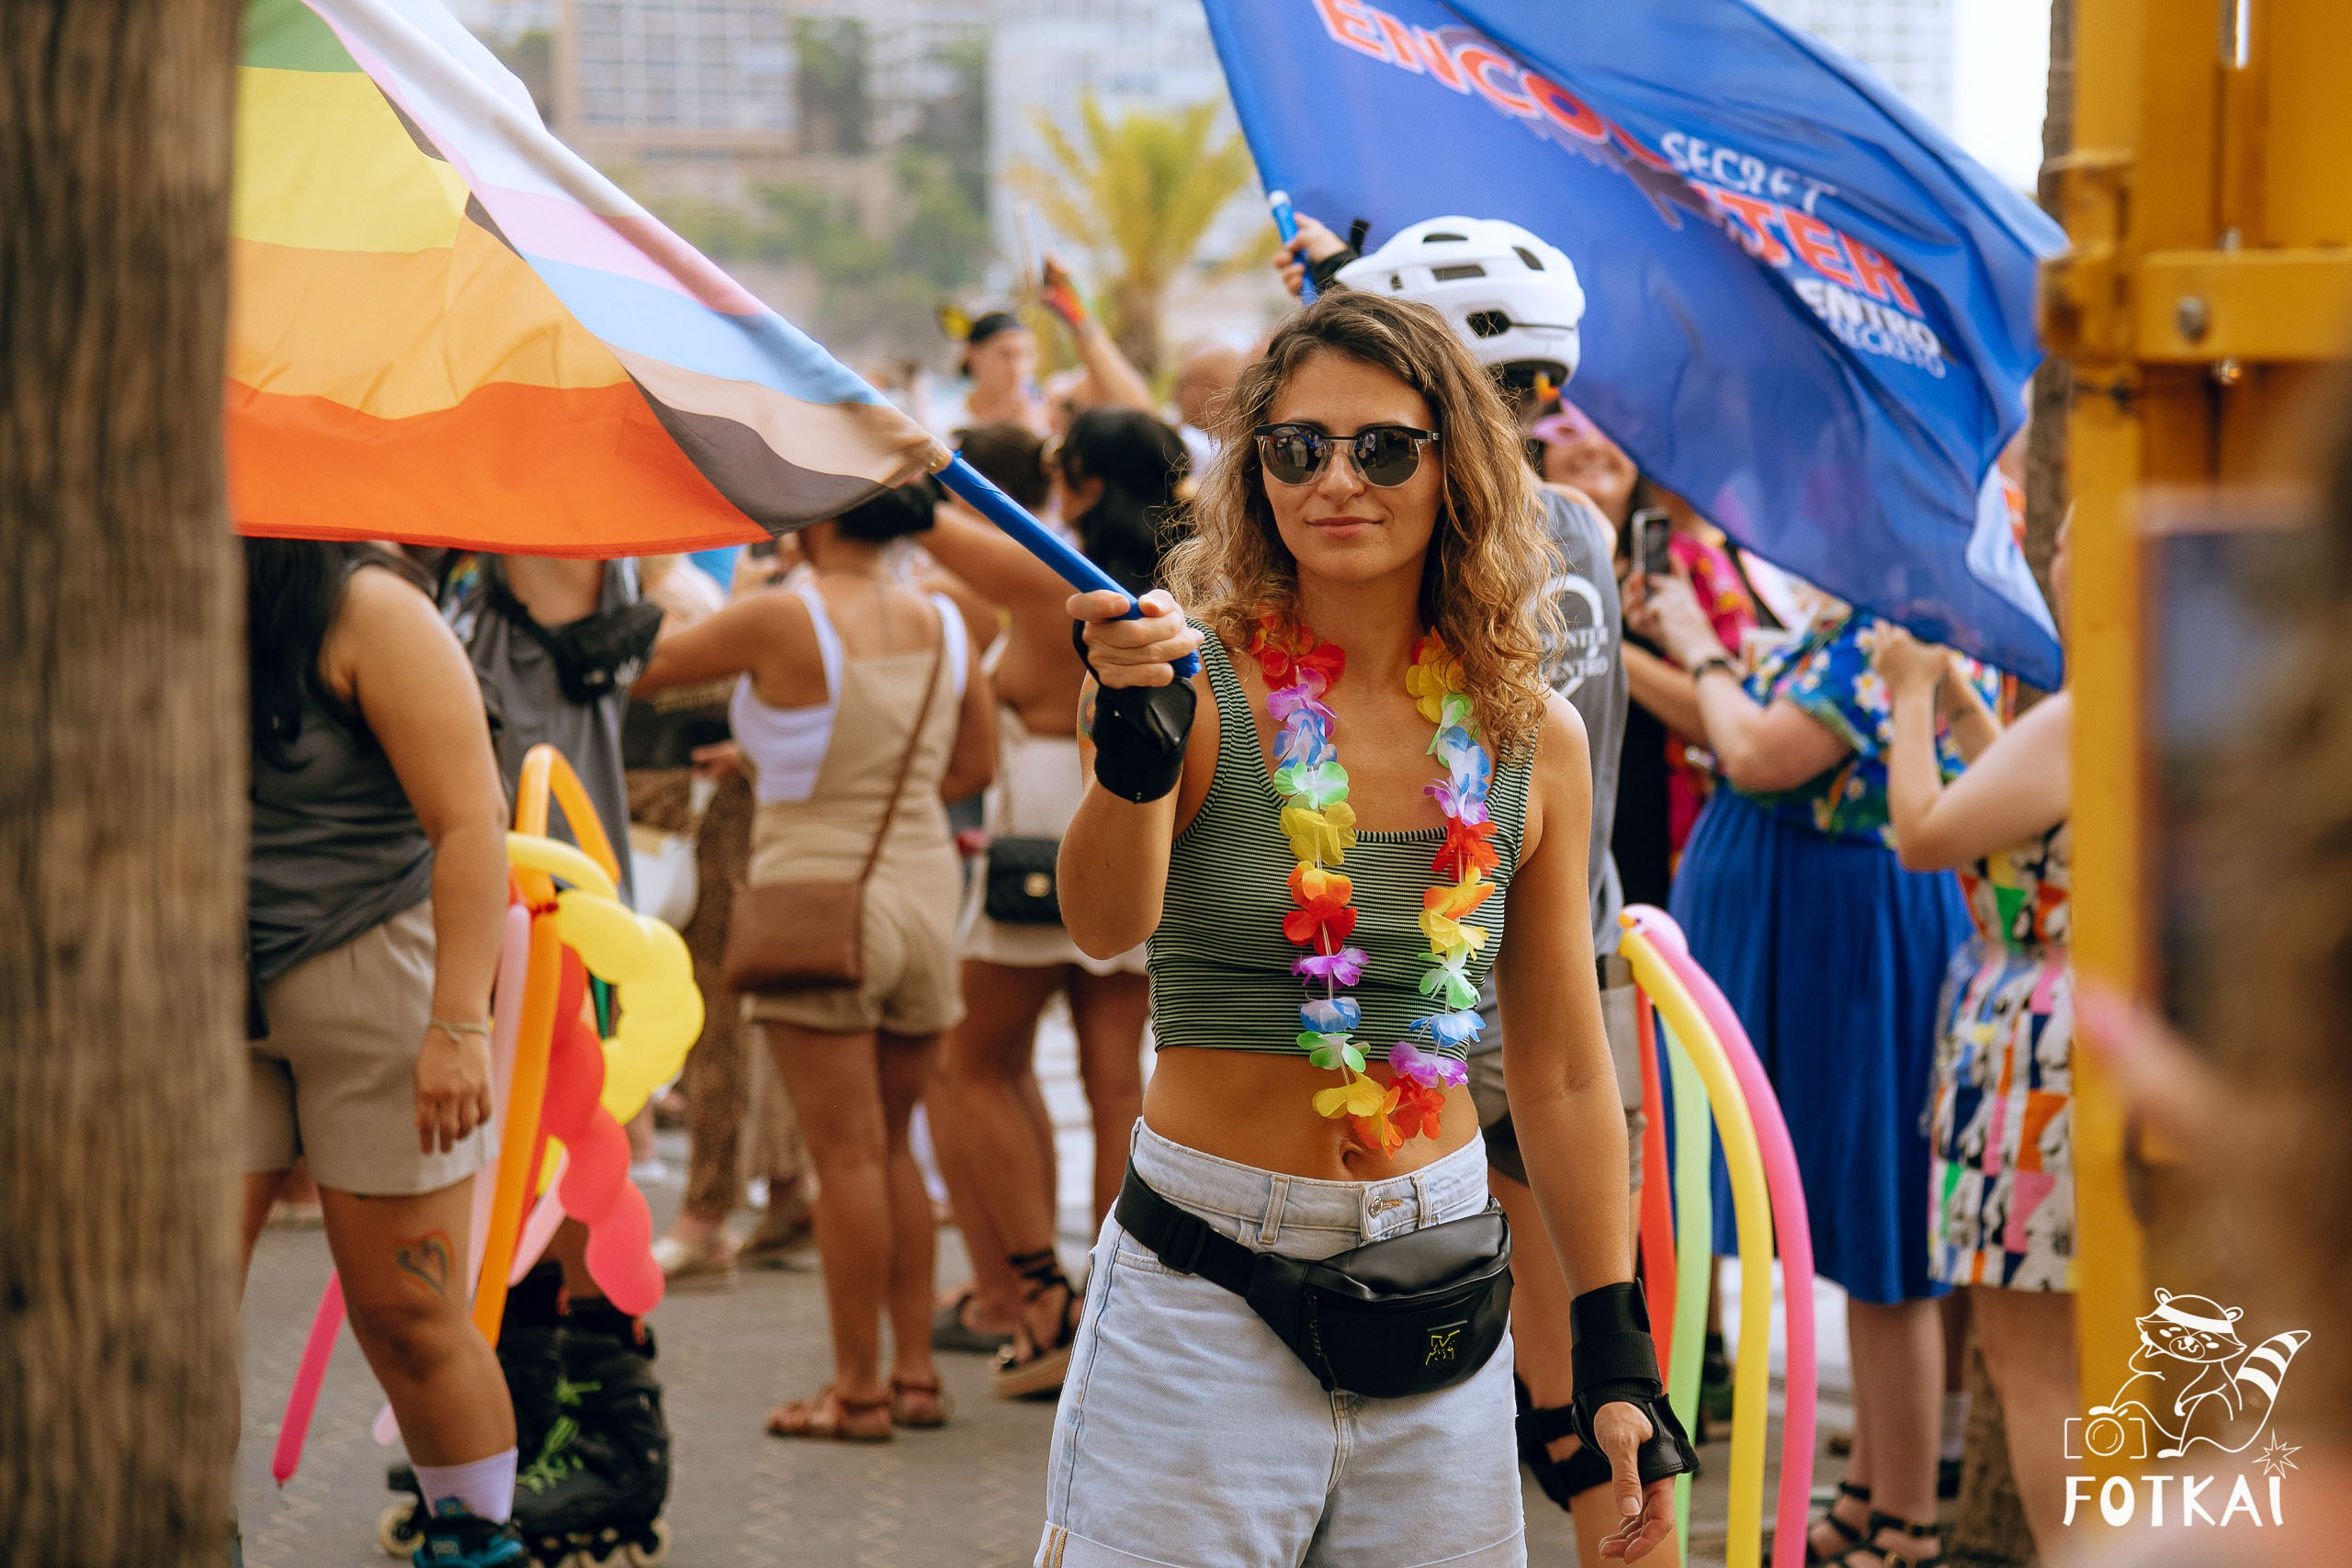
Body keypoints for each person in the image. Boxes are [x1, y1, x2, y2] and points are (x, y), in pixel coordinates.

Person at [1041, 288, 1690, 1567]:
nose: (1337, 478)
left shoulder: (1526, 732)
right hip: (1200, 1291)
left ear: (1457, 464)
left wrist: (1616, 1343)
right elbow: (1105, 924)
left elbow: (1559, 1065)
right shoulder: (1182, 683)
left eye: (1383, 445)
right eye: (1295, 447)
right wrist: (1132, 762)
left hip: (1437, 1289)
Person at [1291, 212, 1663, 1561]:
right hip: (1584, 950)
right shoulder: (1583, 522)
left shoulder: (1471, 543)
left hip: (1473, 971)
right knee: (1587, 1352)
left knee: (1527, 1354)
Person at [1627, 563, 1998, 1568]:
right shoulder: (1856, 619)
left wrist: (1698, 644)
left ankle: (1909, 1520)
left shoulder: (1899, 621)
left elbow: (1752, 752)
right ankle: (1873, 1494)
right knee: (1851, 1226)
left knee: (1882, 1236)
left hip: (1858, 941)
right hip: (1825, 933)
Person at [635, 482, 995, 1440]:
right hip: (924, 896)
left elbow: (642, 669)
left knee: (842, 1160)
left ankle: (857, 1392)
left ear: (819, 519)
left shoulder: (779, 615)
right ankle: (916, 1376)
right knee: (892, 1148)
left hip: (813, 895)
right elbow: (973, 770)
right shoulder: (948, 620)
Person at [241, 539, 523, 1565]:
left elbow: (469, 822)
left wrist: (460, 1025)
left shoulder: (367, 606)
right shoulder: (132, 582)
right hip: (190, 991)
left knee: (409, 1312)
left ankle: (473, 1545)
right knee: (169, 1318)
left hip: (373, 982)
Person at [921, 409, 1191, 1394]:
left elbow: (925, 513)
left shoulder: (1050, 570)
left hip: (1049, 816)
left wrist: (886, 451)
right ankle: (1124, 1310)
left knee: (974, 1062)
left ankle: (1040, 1294)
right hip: (1137, 808)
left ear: (1074, 480)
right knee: (1115, 1081)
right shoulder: (1183, 576)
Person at [1874, 581, 2077, 1555]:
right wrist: (1957, 692)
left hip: (2036, 1058)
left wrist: (1909, 697)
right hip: (2075, 1033)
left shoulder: (2088, 713)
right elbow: (2022, 812)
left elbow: (1924, 832)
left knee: (2038, 1368)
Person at [926, 310, 1050, 439]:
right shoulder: (945, 423)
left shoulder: (1046, 418)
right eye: (1005, 355)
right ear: (972, 353)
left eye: (1025, 355)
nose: (1017, 368)